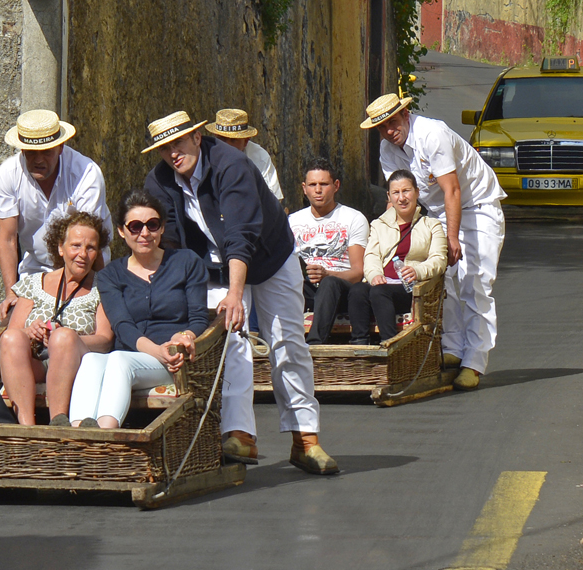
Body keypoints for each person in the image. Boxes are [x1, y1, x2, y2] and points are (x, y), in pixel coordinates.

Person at [143, 110, 338, 475]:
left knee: (287, 342)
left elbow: (240, 234)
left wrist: (235, 295)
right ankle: (241, 435)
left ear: (197, 138)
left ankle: (305, 439)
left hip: (268, 256)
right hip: (215, 267)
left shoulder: (231, 165)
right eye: (164, 148)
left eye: (178, 143)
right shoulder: (158, 182)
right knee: (230, 339)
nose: (173, 153)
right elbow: (168, 244)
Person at [363, 93, 506, 390]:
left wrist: (452, 238)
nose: (390, 131)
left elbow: (452, 189)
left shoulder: (432, 134)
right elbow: (398, 199)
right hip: (438, 210)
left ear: (405, 114)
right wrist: (385, 242)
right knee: (441, 278)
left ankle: (474, 362)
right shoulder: (387, 149)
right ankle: (453, 348)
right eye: (382, 127)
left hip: (477, 206)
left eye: (392, 122)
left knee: (475, 282)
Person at [68, 190, 208, 429]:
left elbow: (198, 317)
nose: (145, 233)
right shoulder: (110, 274)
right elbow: (122, 326)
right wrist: (155, 350)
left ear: (162, 228)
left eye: (152, 225)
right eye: (135, 226)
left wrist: (185, 336)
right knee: (91, 360)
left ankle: (104, 437)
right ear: (122, 232)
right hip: (138, 352)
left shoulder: (186, 262)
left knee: (119, 361)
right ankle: (78, 435)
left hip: (171, 359)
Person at [0, 109, 112, 322]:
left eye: (46, 151)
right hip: (35, 268)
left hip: (84, 264)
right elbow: (8, 238)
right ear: (21, 150)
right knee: (18, 324)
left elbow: (91, 239)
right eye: (31, 152)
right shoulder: (7, 175)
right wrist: (11, 293)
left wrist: (102, 289)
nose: (39, 159)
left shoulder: (86, 173)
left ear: (60, 148)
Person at [0, 211, 114, 426]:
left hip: (77, 363)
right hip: (37, 362)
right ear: (61, 248)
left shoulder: (102, 287)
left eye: (90, 248)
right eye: (76, 245)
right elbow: (11, 333)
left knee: (63, 338)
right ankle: (27, 427)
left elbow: (106, 339)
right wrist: (30, 331)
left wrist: (67, 338)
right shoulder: (35, 283)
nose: (82, 254)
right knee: (12, 339)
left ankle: (57, 421)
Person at [288, 160, 371, 345]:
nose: (318, 190)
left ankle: (315, 344)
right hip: (306, 289)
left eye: (324, 184)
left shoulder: (353, 218)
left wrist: (327, 274)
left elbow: (358, 273)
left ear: (336, 186)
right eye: (312, 185)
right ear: (304, 188)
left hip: (341, 288)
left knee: (330, 283)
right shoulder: (293, 221)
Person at [363, 170, 447, 341]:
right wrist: (375, 275)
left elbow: (439, 259)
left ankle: (389, 344)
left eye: (406, 191)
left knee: (379, 293)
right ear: (389, 196)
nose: (401, 198)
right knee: (357, 291)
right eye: (396, 192)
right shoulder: (378, 225)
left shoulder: (431, 225)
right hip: (382, 285)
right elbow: (371, 256)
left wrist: (418, 271)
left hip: (409, 289)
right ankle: (360, 343)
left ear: (416, 192)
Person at [206, 108, 283, 201]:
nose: (226, 145)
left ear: (246, 141)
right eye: (222, 139)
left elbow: (273, 200)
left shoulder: (260, 157)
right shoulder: (204, 155)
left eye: (233, 140)